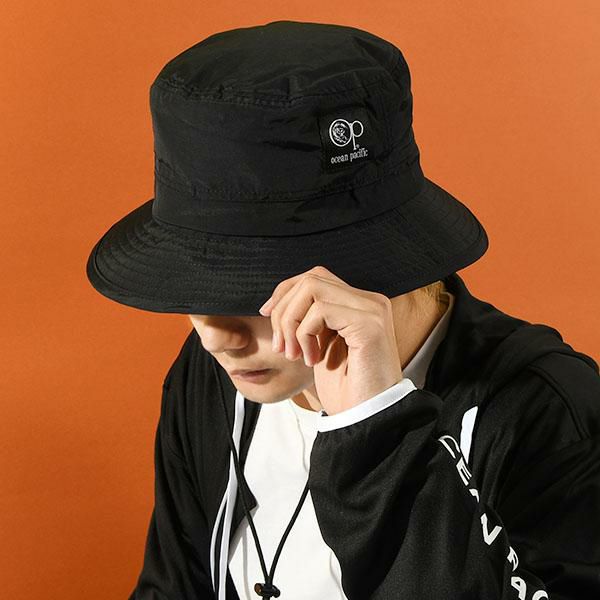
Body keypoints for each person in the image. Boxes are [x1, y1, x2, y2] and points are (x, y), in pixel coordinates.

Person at [85, 20, 600, 600]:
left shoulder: (545, 413)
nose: (214, 336)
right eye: (195, 282)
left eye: (248, 286)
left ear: (366, 258)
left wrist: (375, 430)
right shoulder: (214, 379)